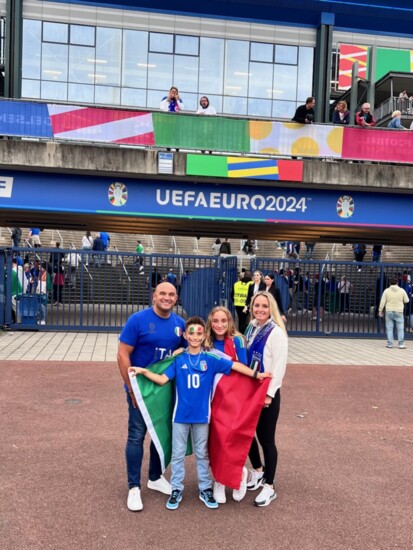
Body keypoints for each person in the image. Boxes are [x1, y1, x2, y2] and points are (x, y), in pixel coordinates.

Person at [129, 316, 270, 511]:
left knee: (203, 455)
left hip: (203, 418)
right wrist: (143, 372)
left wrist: (257, 375)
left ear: (204, 336)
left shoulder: (210, 359)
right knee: (178, 455)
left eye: (199, 333)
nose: (195, 336)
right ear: (185, 335)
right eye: (191, 333)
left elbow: (235, 366)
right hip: (180, 418)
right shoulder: (179, 360)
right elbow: (162, 379)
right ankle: (177, 488)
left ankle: (205, 489)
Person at [117, 282, 186, 512]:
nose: (166, 298)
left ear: (176, 298)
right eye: (162, 294)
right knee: (137, 434)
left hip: (164, 388)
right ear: (154, 296)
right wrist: (130, 388)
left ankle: (155, 477)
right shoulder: (137, 320)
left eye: (171, 294)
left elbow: (190, 348)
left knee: (160, 431)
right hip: (141, 387)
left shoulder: (180, 324)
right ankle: (134, 487)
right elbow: (122, 354)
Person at [244, 291, 288, 507]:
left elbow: (279, 367)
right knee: (247, 432)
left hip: (266, 392)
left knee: (266, 439)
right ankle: (258, 470)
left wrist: (269, 394)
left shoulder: (276, 333)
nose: (260, 309)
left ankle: (269, 486)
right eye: (256, 305)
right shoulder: (252, 327)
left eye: (264, 306)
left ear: (271, 308)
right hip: (250, 389)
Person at [204, 307, 249, 503]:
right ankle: (219, 480)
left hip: (232, 396)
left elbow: (244, 368)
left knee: (231, 438)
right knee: (214, 439)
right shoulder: (206, 341)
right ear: (210, 322)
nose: (220, 325)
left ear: (230, 321)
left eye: (223, 320)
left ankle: (240, 475)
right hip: (211, 397)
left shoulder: (238, 340)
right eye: (215, 321)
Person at [379, 277, 409, 349]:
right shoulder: (402, 291)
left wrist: (380, 311)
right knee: (400, 328)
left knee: (389, 328)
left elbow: (382, 302)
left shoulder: (386, 291)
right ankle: (401, 344)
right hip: (399, 311)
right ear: (397, 283)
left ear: (389, 283)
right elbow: (407, 300)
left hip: (389, 310)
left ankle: (390, 344)